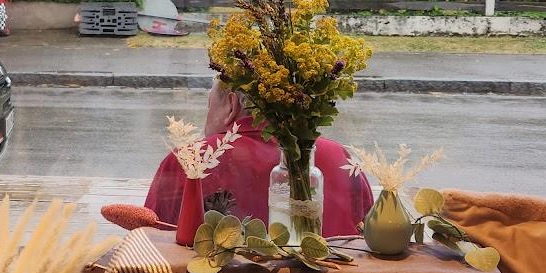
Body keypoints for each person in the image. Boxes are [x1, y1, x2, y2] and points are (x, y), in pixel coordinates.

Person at [143, 82, 373, 237]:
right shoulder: (341, 160)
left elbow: (149, 245)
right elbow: (368, 240)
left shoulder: (189, 162)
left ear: (232, 105)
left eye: (209, 105)